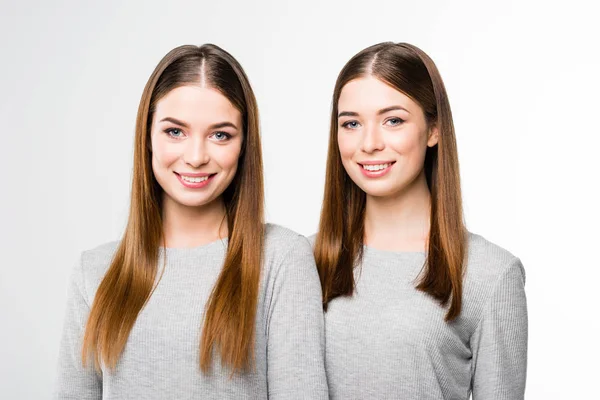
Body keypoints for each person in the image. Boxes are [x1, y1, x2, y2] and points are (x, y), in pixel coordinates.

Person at [54, 44, 328, 399]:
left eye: (220, 135)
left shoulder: (282, 258)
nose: (196, 156)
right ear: (148, 137)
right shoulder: (94, 271)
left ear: (244, 145)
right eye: (175, 131)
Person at [314, 42, 527, 399]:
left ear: (433, 130)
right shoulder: (303, 261)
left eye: (393, 120)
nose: (368, 143)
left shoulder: (489, 274)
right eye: (351, 123)